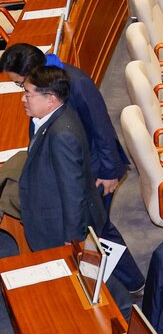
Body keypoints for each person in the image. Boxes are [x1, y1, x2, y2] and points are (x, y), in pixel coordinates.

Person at [18, 66, 107, 252]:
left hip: (58, 230)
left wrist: (72, 239)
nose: (23, 99)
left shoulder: (61, 135)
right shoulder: (61, 114)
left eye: (28, 94)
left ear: (50, 98)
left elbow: (72, 191)